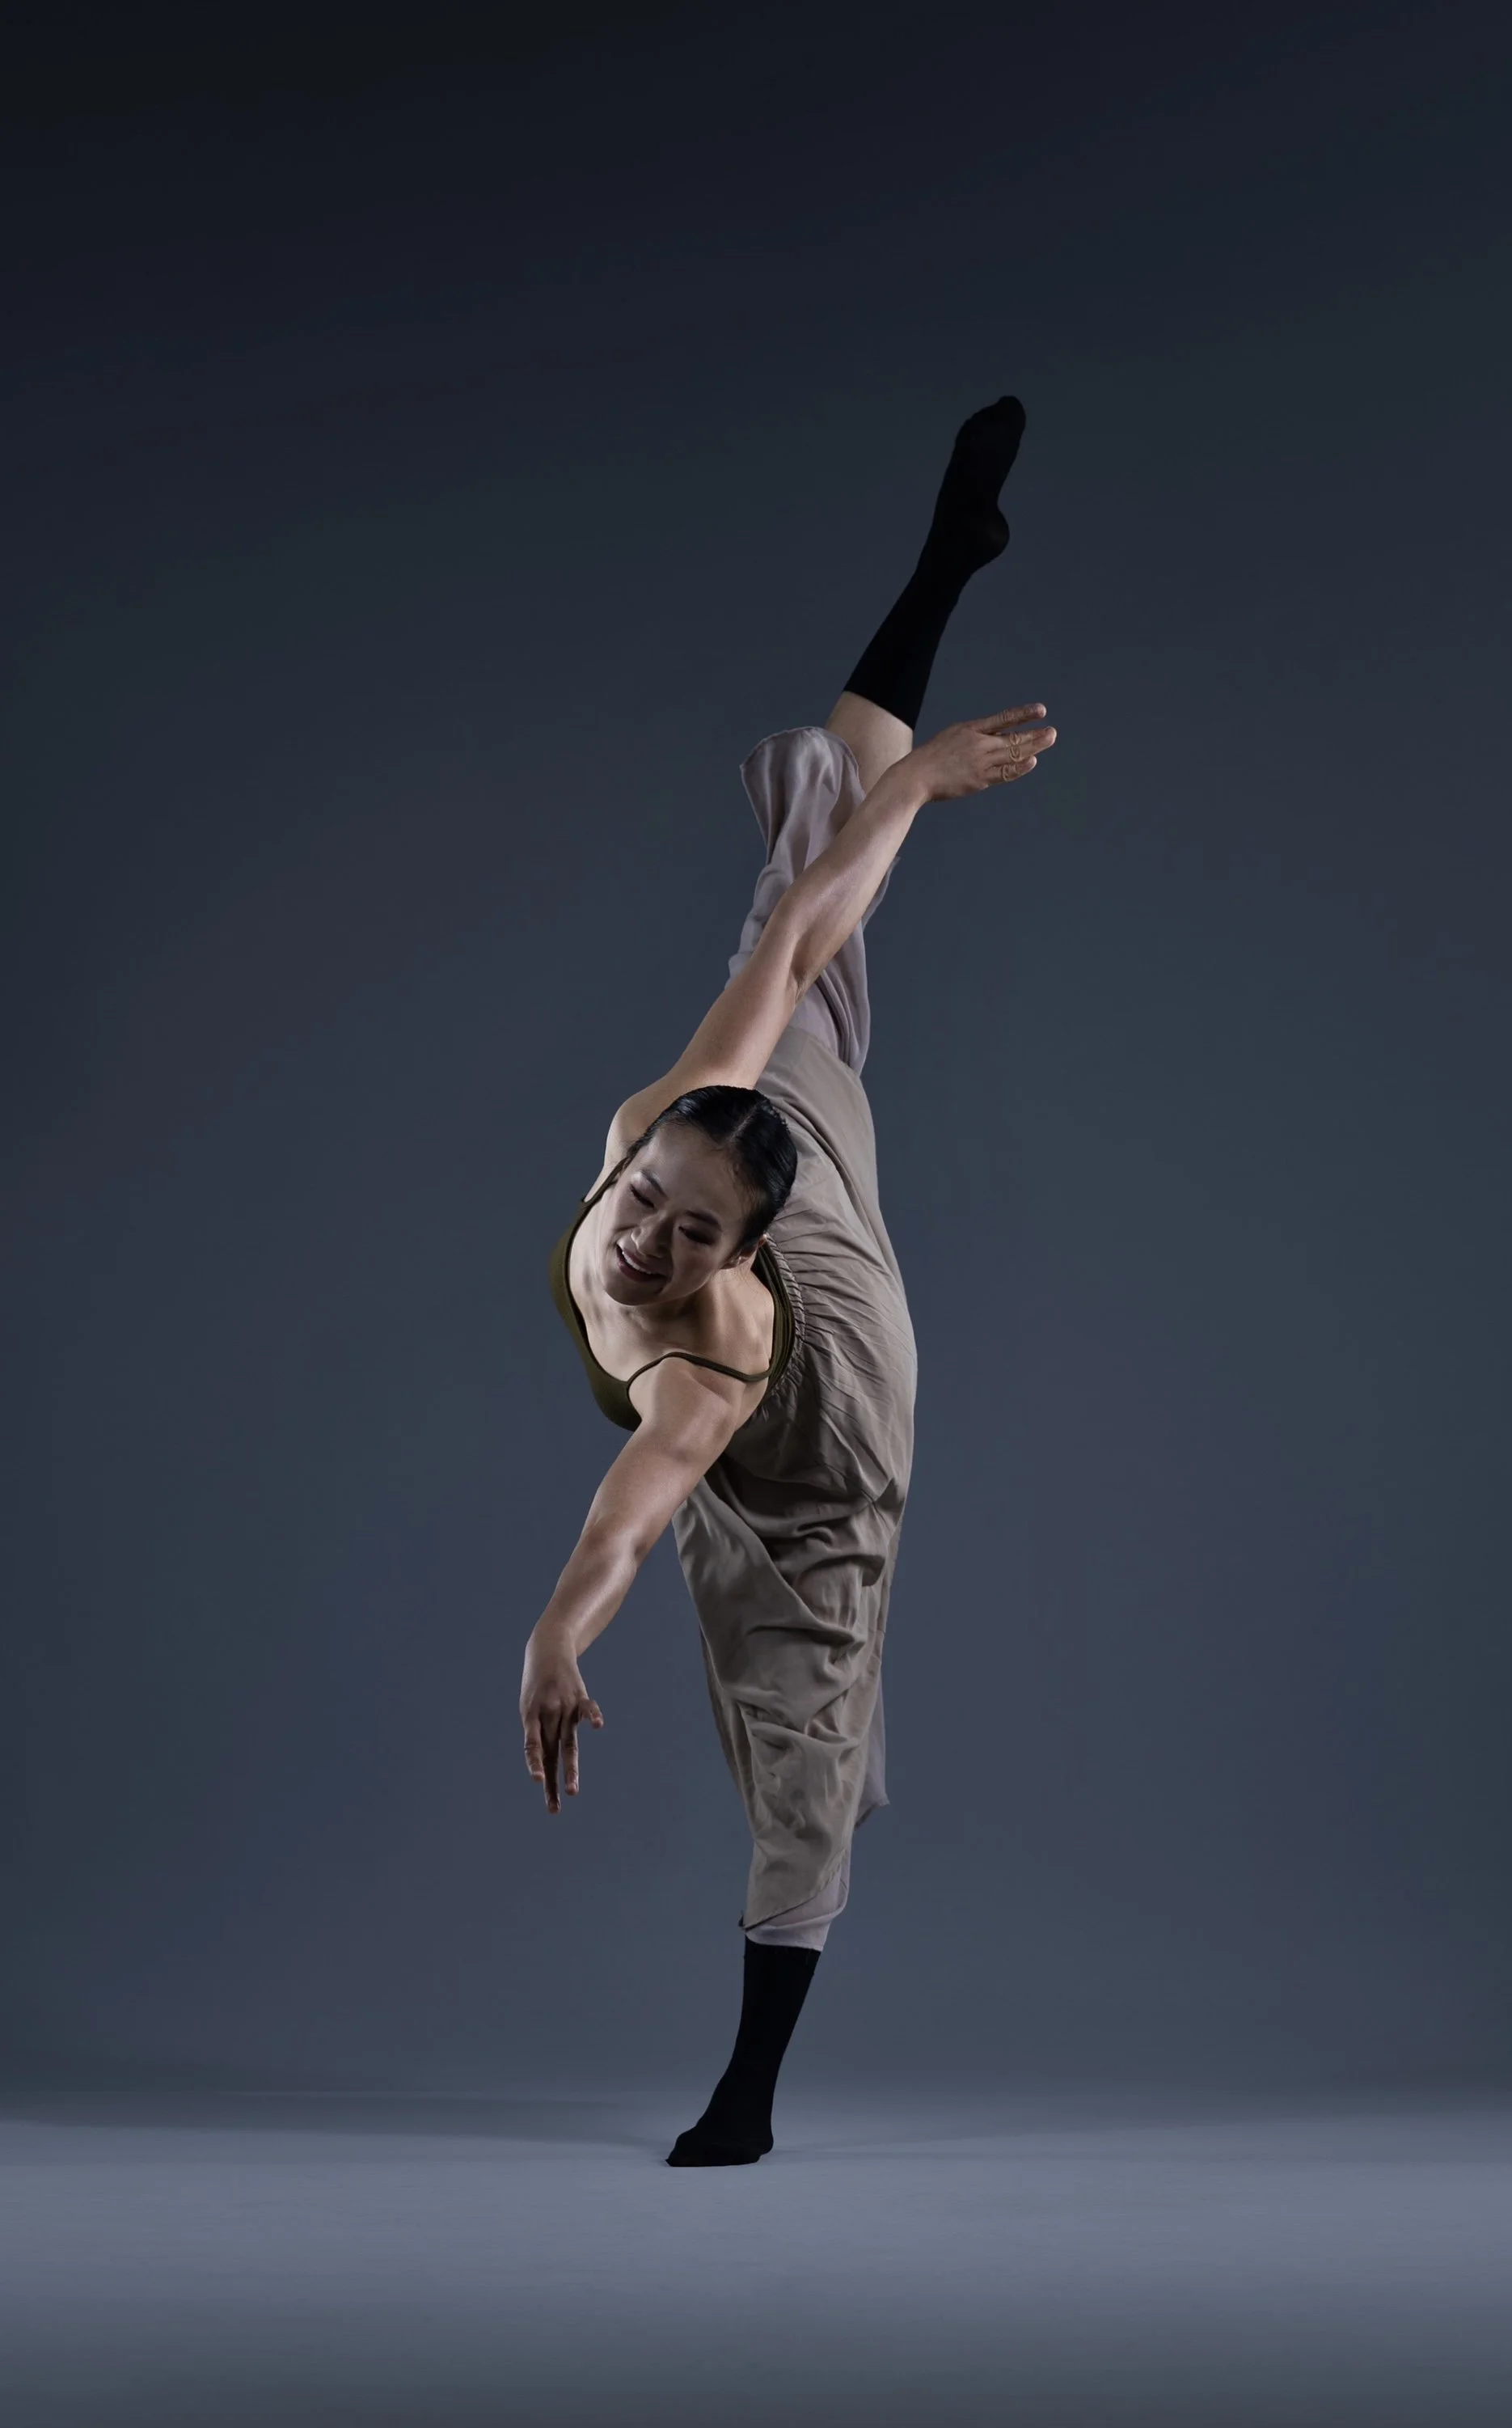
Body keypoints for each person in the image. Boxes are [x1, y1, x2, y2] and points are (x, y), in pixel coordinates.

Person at [522, 396, 1056, 2165]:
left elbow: (630, 1514)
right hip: (777, 1126)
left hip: (832, 1394)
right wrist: (908, 780)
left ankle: (746, 2092)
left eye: (680, 1237)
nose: (638, 1244)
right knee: (806, 855)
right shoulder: (670, 1122)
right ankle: (948, 559)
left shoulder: (714, 1353)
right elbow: (808, 923)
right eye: (645, 1209)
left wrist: (556, 1632)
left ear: (731, 1252)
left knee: (800, 1726)